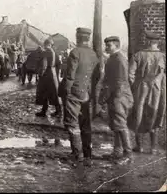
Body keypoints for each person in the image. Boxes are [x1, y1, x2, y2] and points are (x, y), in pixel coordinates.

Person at [61, 27, 100, 166]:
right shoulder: (93, 54)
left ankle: (77, 154)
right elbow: (96, 76)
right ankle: (87, 153)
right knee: (85, 123)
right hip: (86, 92)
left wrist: (66, 91)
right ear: (88, 38)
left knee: (72, 123)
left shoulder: (75, 52)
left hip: (74, 92)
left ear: (77, 37)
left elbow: (70, 75)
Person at [128, 32, 166, 155]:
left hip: (141, 87)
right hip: (157, 89)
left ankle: (140, 147)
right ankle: (153, 148)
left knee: (138, 113)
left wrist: (135, 85)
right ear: (157, 42)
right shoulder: (163, 56)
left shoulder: (138, 55)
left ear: (147, 41)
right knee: (155, 112)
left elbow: (130, 74)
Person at [98, 36, 134, 165]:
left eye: (109, 45)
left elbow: (119, 82)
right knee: (116, 124)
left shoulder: (119, 59)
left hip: (119, 97)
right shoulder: (113, 58)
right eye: (106, 45)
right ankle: (117, 151)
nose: (106, 47)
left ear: (116, 45)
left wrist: (111, 98)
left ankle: (128, 154)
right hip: (115, 96)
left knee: (121, 124)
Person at [35, 38, 62, 118]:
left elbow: (44, 64)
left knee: (44, 93)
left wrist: (40, 74)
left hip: (46, 75)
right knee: (54, 93)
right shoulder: (54, 52)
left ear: (46, 44)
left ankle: (44, 111)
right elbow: (58, 64)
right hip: (53, 74)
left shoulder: (45, 52)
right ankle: (58, 111)